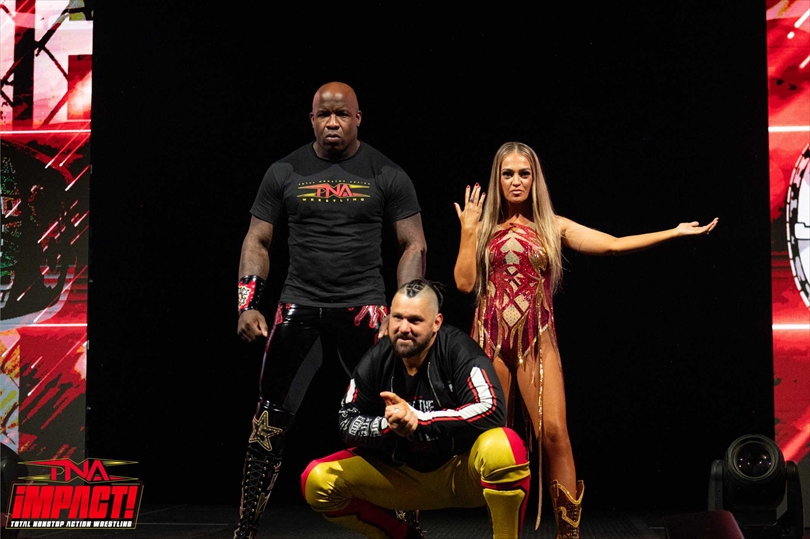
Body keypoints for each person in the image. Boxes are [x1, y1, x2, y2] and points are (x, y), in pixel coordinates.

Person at [453, 141, 719, 538]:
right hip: (490, 341)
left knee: (554, 434)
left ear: (535, 179)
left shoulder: (553, 226)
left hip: (535, 341)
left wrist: (674, 232)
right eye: (508, 174)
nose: (516, 181)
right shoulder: (484, 227)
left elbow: (612, 244)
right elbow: (464, 284)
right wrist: (469, 231)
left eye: (524, 173)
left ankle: (568, 534)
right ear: (497, 179)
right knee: (496, 441)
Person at [234, 81, 427, 539]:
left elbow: (413, 244)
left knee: (392, 416)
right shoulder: (284, 170)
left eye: (342, 114)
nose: (333, 123)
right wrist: (247, 305)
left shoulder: (386, 172)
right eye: (324, 115)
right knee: (268, 421)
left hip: (365, 310)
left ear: (358, 118)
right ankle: (245, 530)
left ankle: (408, 527)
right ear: (312, 119)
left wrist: (402, 312)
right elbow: (257, 239)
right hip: (298, 307)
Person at [301, 278, 531, 539]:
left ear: (436, 323)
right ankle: (402, 536)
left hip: (460, 476)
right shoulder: (377, 358)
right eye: (397, 318)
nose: (403, 328)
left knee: (505, 447)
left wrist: (420, 420)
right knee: (316, 480)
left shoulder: (459, 350)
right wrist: (388, 426)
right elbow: (346, 421)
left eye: (415, 320)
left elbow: (492, 409)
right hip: (402, 479)